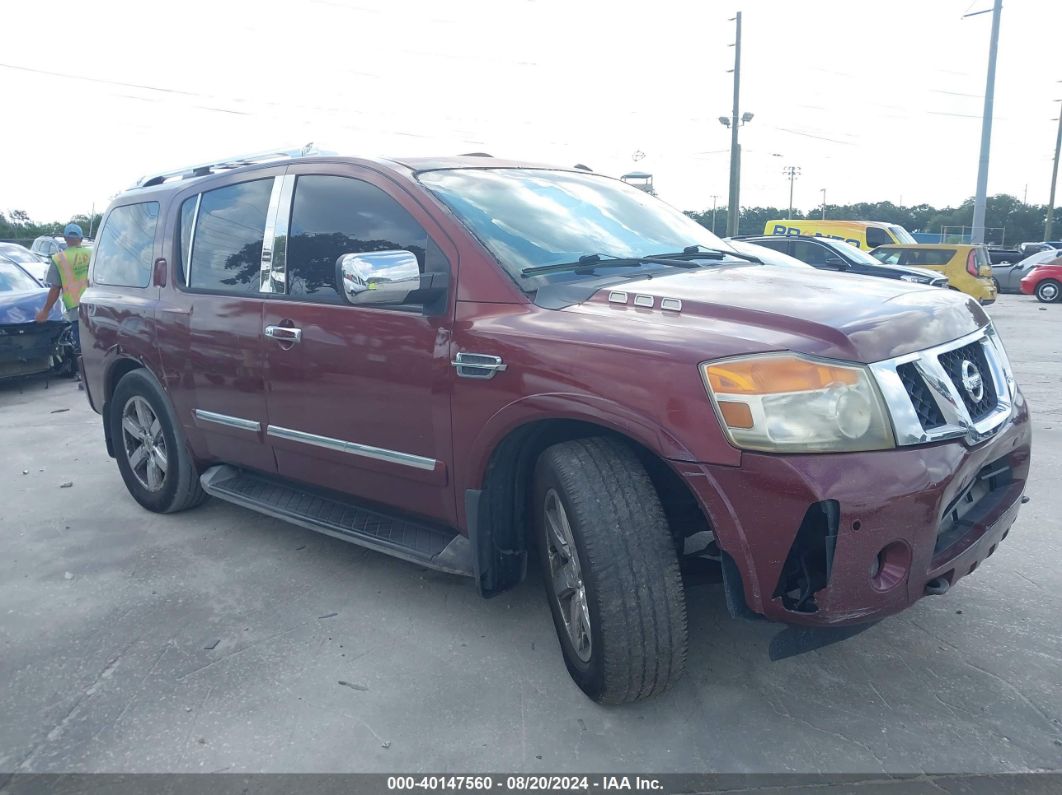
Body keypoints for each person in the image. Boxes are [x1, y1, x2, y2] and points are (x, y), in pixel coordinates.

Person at [35, 223, 91, 379]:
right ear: (81, 238)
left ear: (66, 238)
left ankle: (84, 377)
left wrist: (45, 311)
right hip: (96, 305)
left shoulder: (59, 259)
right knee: (97, 342)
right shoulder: (93, 253)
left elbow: (55, 288)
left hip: (75, 308)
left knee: (81, 345)